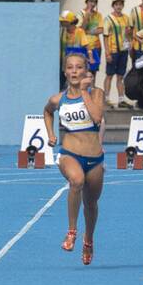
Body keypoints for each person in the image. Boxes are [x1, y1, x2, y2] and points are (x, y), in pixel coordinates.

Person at [43, 53, 105, 265]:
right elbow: (47, 111)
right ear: (65, 71)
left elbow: (97, 117)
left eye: (79, 67)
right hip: (69, 153)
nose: (74, 71)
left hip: (94, 157)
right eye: (70, 67)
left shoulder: (96, 93)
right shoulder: (58, 99)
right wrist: (50, 134)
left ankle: (88, 240)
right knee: (76, 180)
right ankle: (71, 231)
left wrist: (84, 91)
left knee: (91, 203)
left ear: (86, 71)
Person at [102, 0, 131, 107]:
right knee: (109, 75)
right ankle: (106, 98)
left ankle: (121, 99)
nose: (119, 6)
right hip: (113, 50)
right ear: (113, 6)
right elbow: (105, 36)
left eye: (121, 4)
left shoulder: (126, 18)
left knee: (120, 76)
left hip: (123, 50)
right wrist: (107, 52)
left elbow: (128, 34)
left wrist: (129, 42)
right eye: (117, 4)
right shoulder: (108, 19)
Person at [80, 0, 104, 75]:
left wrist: (88, 31)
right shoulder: (81, 13)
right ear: (86, 2)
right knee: (84, 71)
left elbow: (101, 30)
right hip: (85, 46)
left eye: (94, 2)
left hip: (97, 46)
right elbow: (81, 30)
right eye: (91, 1)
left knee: (93, 71)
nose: (93, 4)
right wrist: (87, 16)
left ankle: (92, 87)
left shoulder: (98, 15)